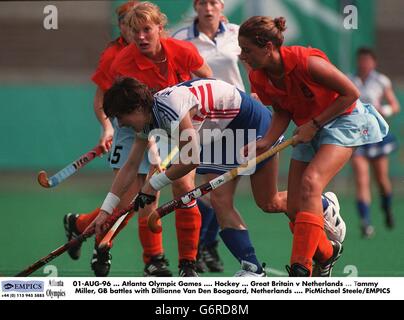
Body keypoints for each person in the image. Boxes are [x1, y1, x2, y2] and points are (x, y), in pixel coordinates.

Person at [88, 77, 347, 277]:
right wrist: (106, 210)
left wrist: (152, 185)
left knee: (266, 202)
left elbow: (191, 159)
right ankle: (252, 268)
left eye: (122, 118)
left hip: (248, 121)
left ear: (136, 107)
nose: (121, 125)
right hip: (219, 133)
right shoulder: (147, 118)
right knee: (235, 200)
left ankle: (323, 205)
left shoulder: (170, 108)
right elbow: (131, 165)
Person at [64, 1, 212, 277]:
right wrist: (149, 149)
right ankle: (153, 260)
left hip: (171, 122)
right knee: (140, 195)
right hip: (134, 126)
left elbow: (207, 82)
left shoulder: (182, 51)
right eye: (135, 31)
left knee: (182, 183)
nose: (141, 37)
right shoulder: (122, 61)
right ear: (126, 33)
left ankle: (188, 264)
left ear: (160, 28)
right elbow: (130, 113)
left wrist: (196, 122)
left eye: (147, 30)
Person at [238, 16, 388, 277]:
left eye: (247, 50)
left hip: (343, 119)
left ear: (268, 47)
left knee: (311, 182)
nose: (243, 56)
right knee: (295, 210)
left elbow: (350, 93)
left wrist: (315, 124)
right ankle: (328, 254)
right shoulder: (259, 77)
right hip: (309, 127)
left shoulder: (307, 62)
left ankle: (300, 271)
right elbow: (282, 109)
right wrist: (265, 141)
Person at [172, 0, 246, 273]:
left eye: (213, 1)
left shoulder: (237, 33)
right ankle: (201, 246)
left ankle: (207, 244)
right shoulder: (181, 37)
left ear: (221, 5)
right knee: (204, 187)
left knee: (220, 187)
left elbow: (254, 65)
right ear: (196, 6)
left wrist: (259, 93)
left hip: (237, 115)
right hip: (200, 119)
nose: (208, 7)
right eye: (202, 2)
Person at [349, 47, 400, 238]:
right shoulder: (349, 79)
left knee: (381, 180)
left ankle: (386, 209)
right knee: (362, 180)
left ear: (373, 63)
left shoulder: (381, 81)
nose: (363, 63)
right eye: (361, 60)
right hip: (357, 136)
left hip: (376, 135)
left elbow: (395, 105)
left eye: (367, 60)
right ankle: (365, 222)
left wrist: (383, 110)